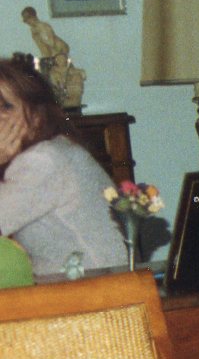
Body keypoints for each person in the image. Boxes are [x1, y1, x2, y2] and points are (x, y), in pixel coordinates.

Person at [0, 56, 128, 274]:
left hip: (96, 288)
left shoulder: (43, 160)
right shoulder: (54, 149)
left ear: (37, 116)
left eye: (6, 107)